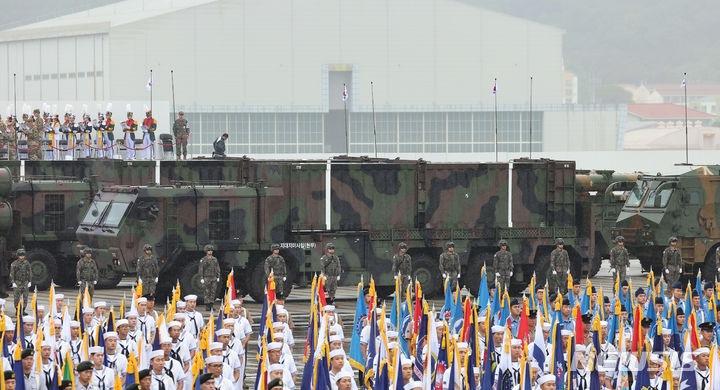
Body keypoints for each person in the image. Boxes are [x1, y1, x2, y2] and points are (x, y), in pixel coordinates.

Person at [199, 244, 220, 311]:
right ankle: (207, 306)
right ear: (206, 251)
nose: (210, 252)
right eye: (209, 250)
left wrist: (218, 276)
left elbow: (217, 268)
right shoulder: (203, 260)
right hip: (206, 277)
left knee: (213, 292)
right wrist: (201, 278)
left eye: (211, 250)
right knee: (207, 292)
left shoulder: (215, 259)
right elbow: (201, 269)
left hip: (213, 277)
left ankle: (211, 305)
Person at [9, 248, 31, 314]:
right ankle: (17, 309)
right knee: (16, 297)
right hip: (17, 282)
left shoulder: (27, 263)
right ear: (18, 256)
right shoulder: (14, 264)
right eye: (20, 255)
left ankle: (23, 310)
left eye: (23, 255)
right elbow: (12, 273)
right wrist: (13, 282)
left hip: (25, 282)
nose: (22, 257)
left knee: (25, 297)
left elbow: (29, 272)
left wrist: (29, 281)